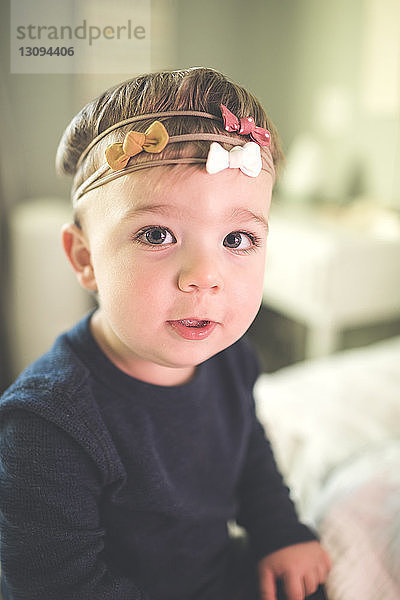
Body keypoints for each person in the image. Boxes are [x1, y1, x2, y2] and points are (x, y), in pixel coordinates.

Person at [0, 68, 331, 600]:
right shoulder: (47, 423)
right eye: (157, 234)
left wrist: (280, 533)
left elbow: (247, 451)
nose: (205, 274)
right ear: (85, 259)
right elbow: (54, 584)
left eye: (238, 238)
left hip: (211, 575)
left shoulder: (230, 357)